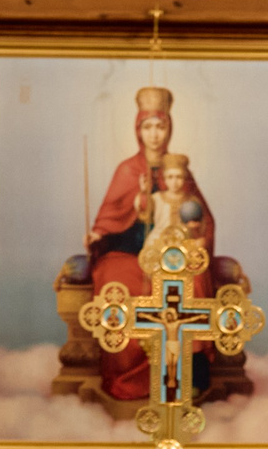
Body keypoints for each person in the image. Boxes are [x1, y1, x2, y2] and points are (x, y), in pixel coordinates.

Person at [88, 86, 216, 401]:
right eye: (148, 127)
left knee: (192, 278)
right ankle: (127, 375)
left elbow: (202, 218)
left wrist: (196, 236)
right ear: (138, 129)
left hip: (174, 255)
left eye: (160, 126)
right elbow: (110, 219)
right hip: (130, 252)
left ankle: (187, 373)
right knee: (113, 277)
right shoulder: (127, 170)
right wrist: (98, 235)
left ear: (169, 128)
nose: (154, 134)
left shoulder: (179, 172)